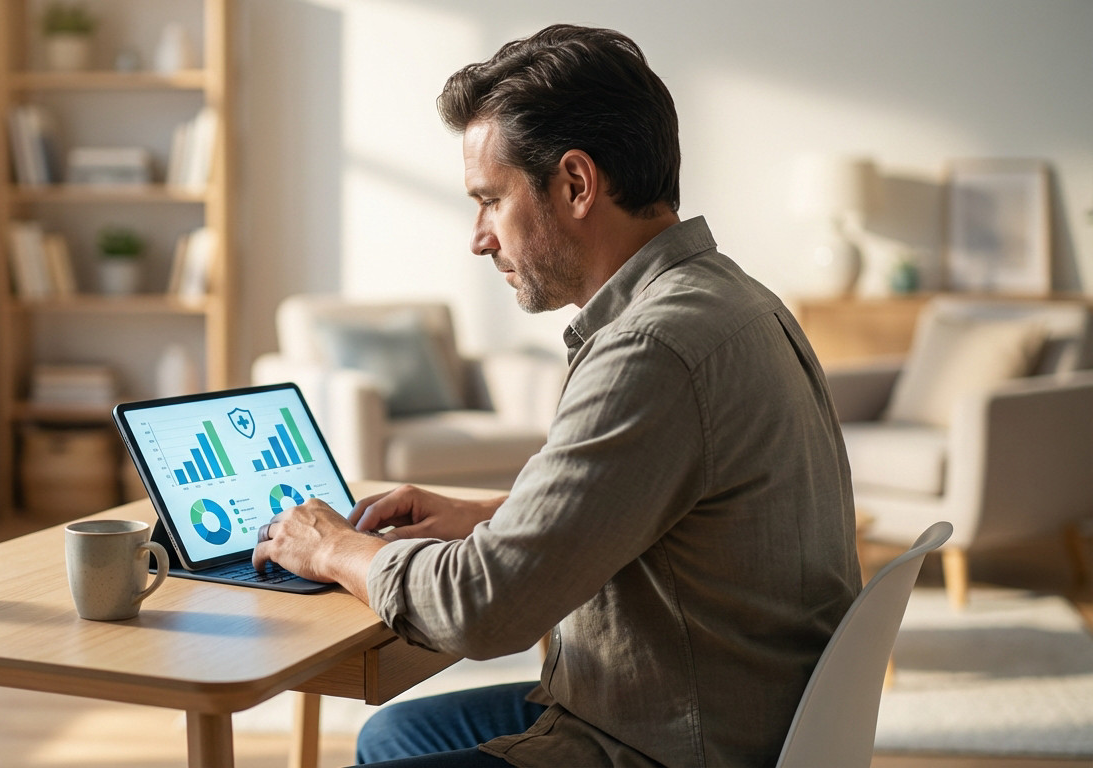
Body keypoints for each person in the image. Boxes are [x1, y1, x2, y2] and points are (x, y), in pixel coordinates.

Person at [252, 23, 860, 767]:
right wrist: (489, 517)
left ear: (575, 184)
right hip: (729, 711)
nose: (479, 237)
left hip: (663, 742)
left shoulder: (651, 349)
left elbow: (483, 610)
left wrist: (335, 548)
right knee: (394, 735)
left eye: (490, 200)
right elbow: (663, 505)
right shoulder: (736, 300)